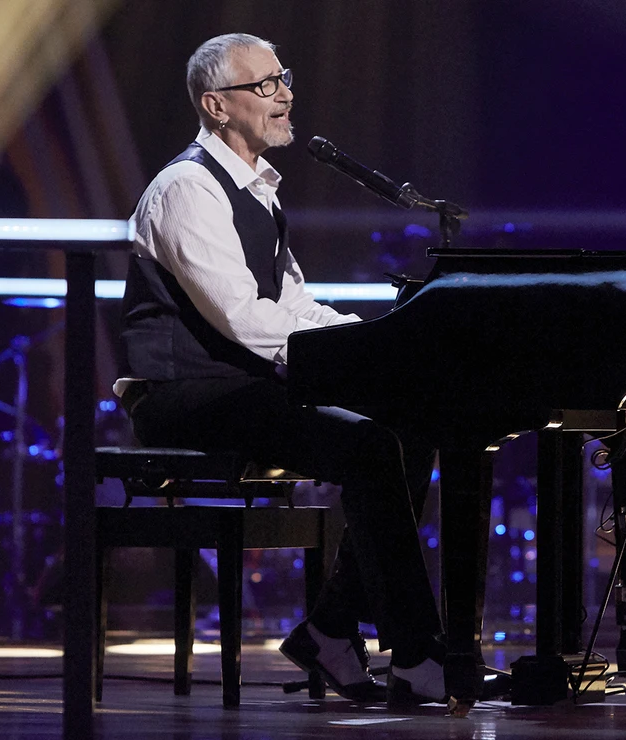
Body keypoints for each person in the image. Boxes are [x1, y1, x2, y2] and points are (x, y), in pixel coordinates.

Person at [113, 33, 445, 705]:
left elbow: (291, 302)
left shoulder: (258, 192)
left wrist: (374, 344)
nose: (286, 94)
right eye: (264, 85)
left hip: (242, 389)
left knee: (410, 434)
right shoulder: (185, 189)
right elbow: (241, 317)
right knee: (371, 446)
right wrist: (356, 361)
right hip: (184, 394)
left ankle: (330, 630)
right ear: (216, 105)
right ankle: (417, 654)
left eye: (283, 78)